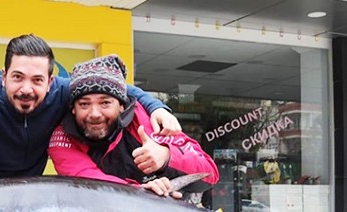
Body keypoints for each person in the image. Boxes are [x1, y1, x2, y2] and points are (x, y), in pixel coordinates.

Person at [0, 34, 182, 179]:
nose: (26, 88)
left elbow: (116, 88)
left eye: (37, 80)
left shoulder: (65, 92)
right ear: (4, 75)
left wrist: (156, 106)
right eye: (18, 77)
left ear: (51, 82)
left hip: (33, 197)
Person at [48, 54, 219, 197]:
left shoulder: (147, 120)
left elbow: (210, 173)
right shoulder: (61, 138)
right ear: (73, 109)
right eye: (84, 104)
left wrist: (166, 157)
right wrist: (143, 192)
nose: (94, 113)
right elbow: (89, 181)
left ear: (122, 105)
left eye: (105, 103)